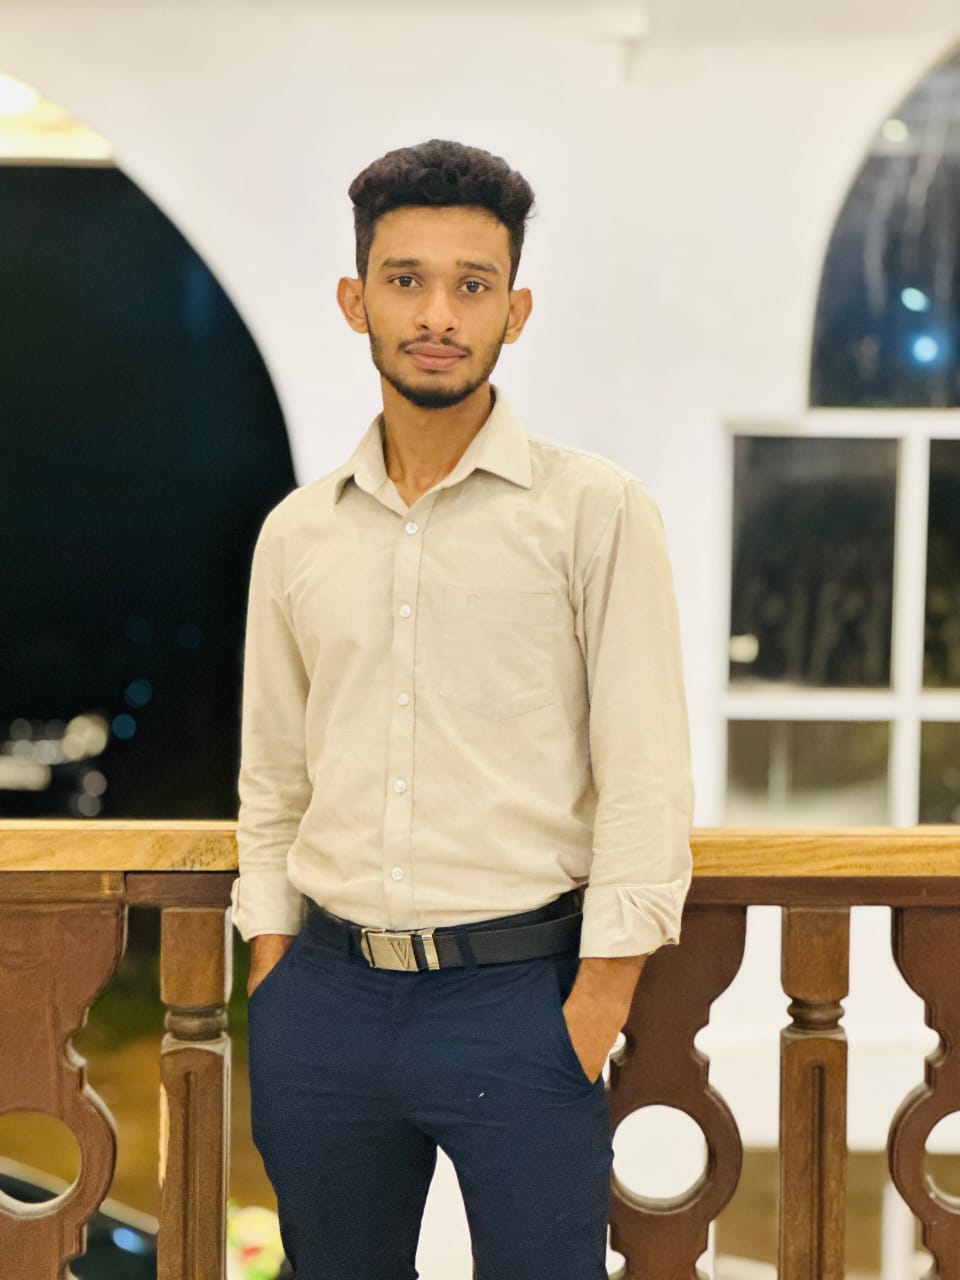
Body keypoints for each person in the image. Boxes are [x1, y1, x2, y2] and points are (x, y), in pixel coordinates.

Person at [232, 138, 694, 1280]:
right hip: (325, 1002)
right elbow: (274, 779)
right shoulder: (297, 533)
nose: (438, 313)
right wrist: (275, 969)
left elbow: (645, 774)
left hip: (520, 999)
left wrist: (593, 1006)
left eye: (472, 285)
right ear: (357, 301)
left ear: (514, 312)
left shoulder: (596, 514)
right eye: (407, 280)